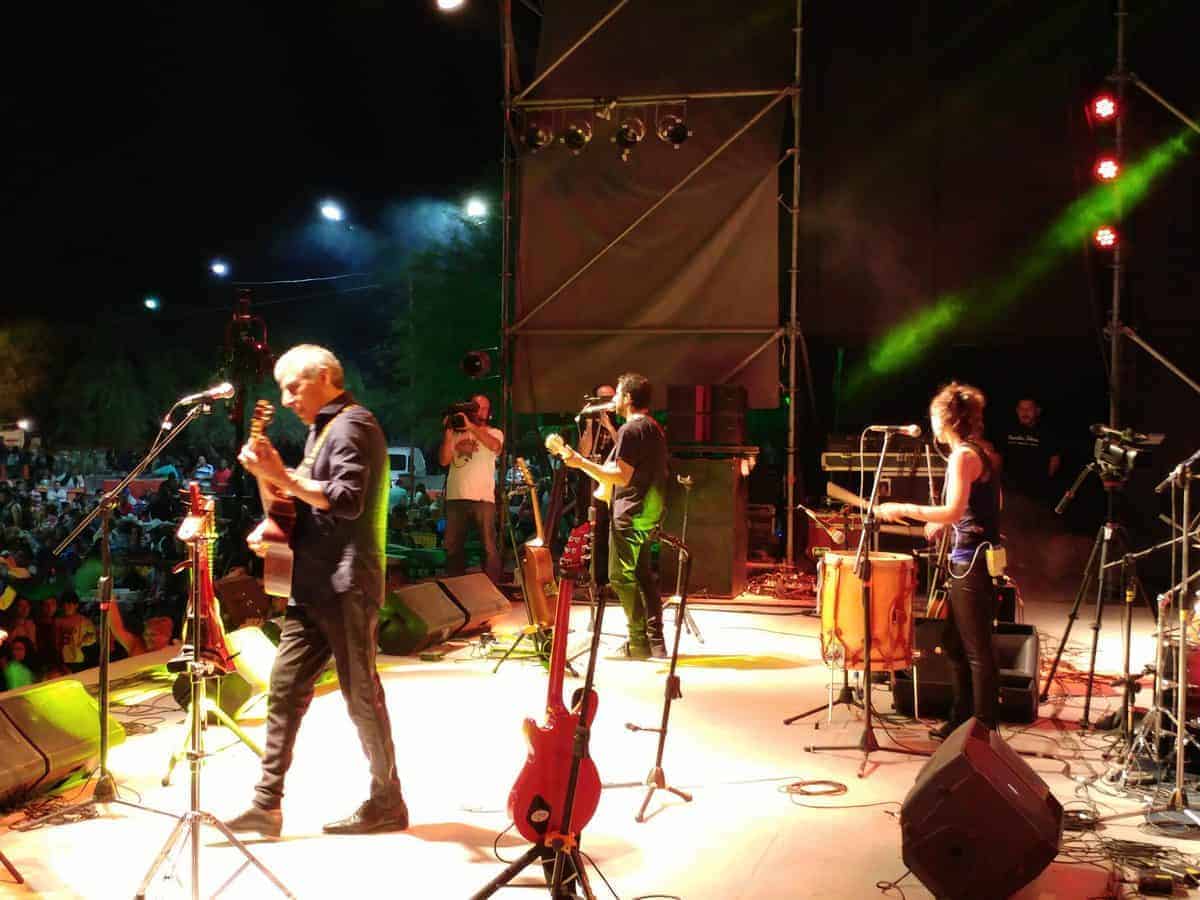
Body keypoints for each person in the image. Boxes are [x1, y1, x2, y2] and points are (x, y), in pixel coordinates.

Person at [225, 343, 405, 838]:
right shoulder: (322, 431)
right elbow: (299, 504)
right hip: (313, 583)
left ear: (325, 375)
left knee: (361, 697)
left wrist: (278, 475)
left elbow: (345, 501)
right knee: (283, 691)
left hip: (346, 583)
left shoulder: (353, 425)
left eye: (293, 387)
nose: (286, 400)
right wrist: (269, 492)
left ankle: (388, 802)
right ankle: (266, 806)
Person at [877, 382, 1002, 739]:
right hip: (976, 557)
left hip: (972, 560)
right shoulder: (981, 451)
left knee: (976, 649)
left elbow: (954, 510)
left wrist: (903, 508)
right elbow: (984, 506)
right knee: (954, 642)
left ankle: (983, 728)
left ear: (944, 420)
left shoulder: (962, 456)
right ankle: (962, 718)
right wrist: (942, 522)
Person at [560, 373, 668, 659]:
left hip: (630, 513)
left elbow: (620, 476)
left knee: (620, 577)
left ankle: (638, 642)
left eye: (618, 394)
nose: (614, 399)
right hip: (648, 512)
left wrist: (579, 462)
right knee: (643, 576)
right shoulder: (653, 428)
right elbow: (618, 474)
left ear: (628, 398)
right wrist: (585, 464)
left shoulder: (631, 430)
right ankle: (655, 643)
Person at [439, 394, 504, 585]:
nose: (480, 411)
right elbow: (443, 460)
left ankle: (491, 587)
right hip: (456, 496)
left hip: (482, 498)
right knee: (453, 547)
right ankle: (455, 586)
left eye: (484, 408)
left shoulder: (494, 432)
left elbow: (495, 447)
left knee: (488, 546)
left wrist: (471, 428)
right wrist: (448, 433)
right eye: (476, 407)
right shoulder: (457, 434)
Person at [1001, 396, 1061, 504]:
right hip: (1010, 488)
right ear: (1017, 411)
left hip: (1036, 490)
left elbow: (1055, 459)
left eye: (1029, 409)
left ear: (1038, 411)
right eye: (1021, 409)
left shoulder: (1047, 432)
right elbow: (999, 455)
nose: (1025, 412)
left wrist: (1045, 481)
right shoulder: (1007, 429)